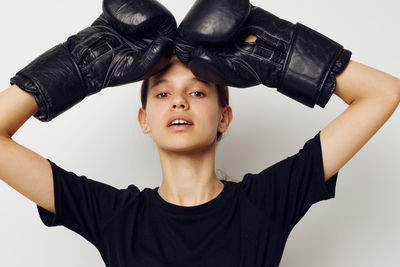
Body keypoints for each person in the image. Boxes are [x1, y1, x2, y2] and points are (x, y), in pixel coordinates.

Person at [0, 0, 399, 266]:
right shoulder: (113, 215)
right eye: (162, 92)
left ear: (224, 118)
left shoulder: (266, 202)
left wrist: (278, 53)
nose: (179, 102)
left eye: (196, 91)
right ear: (144, 119)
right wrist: (78, 66)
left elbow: (383, 93)